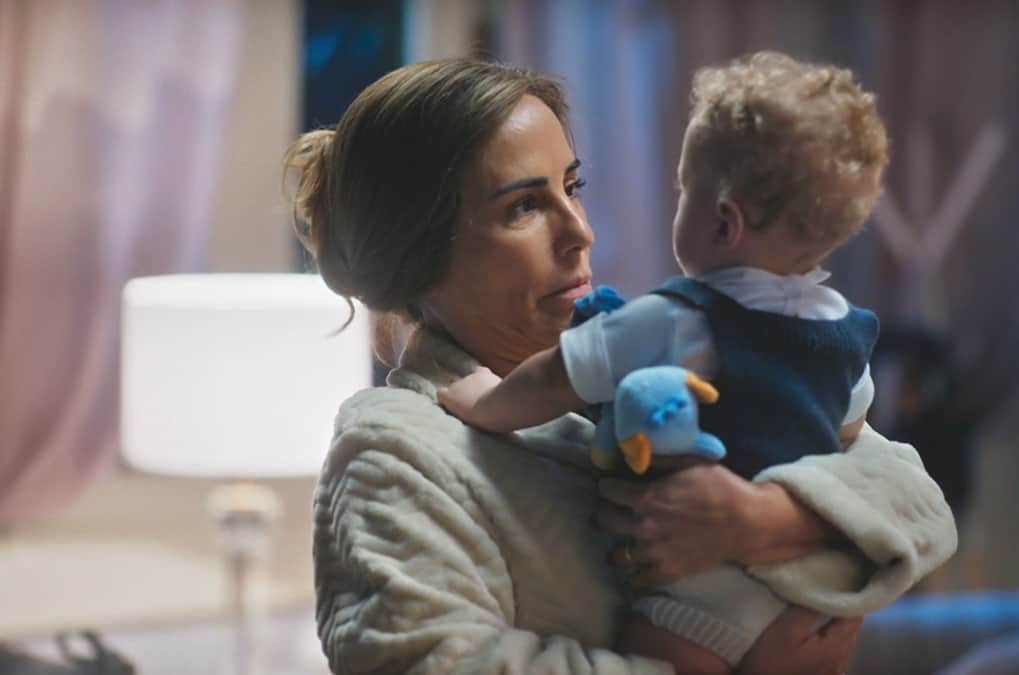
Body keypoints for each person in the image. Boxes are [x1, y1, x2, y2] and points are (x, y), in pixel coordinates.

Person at [286, 58, 958, 675]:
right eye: (523, 205)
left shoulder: (662, 360)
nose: (580, 229)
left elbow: (922, 506)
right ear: (418, 253)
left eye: (571, 187)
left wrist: (761, 518)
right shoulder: (393, 447)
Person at [438, 52, 906, 675]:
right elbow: (849, 445)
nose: (583, 229)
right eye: (525, 205)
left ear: (723, 222)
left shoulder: (678, 319)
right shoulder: (846, 332)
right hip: (807, 588)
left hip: (701, 591)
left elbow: (559, 375)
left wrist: (482, 402)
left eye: (686, 187)